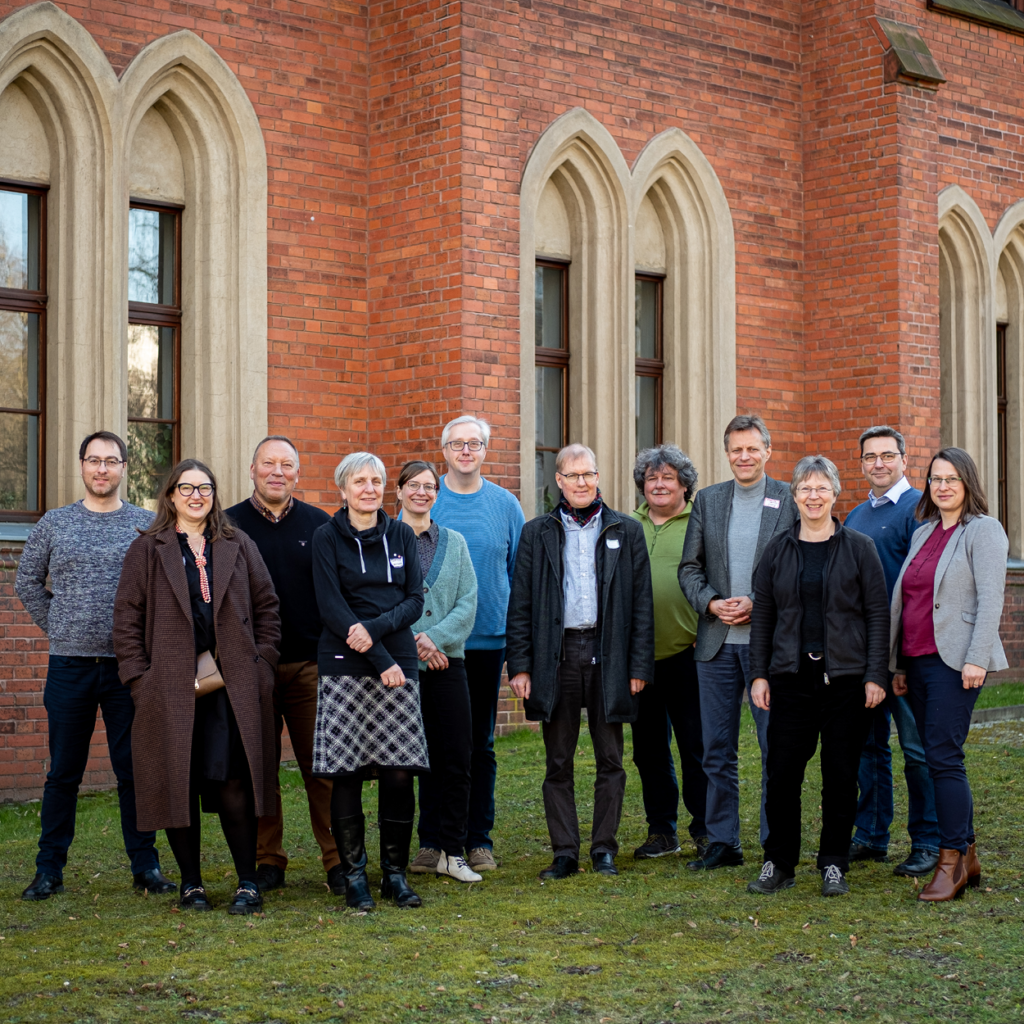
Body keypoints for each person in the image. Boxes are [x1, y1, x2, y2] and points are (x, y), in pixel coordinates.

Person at [113, 459, 282, 914]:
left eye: (203, 488)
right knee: (178, 782)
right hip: (168, 687)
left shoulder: (237, 543)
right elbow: (126, 618)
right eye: (185, 488)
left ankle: (248, 883)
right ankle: (192, 885)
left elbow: (267, 605)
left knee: (232, 781)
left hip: (230, 687)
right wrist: (139, 678)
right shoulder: (148, 548)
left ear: (214, 494)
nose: (195, 496)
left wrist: (263, 661)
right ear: (170, 496)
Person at [15, 432, 174, 902]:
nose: (102, 469)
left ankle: (145, 866)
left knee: (133, 770)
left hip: (130, 671)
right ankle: (49, 870)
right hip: (70, 666)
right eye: (93, 461)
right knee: (64, 771)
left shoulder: (147, 524)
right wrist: (59, 627)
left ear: (125, 467)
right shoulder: (55, 523)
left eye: (111, 461)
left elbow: (165, 594)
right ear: (82, 466)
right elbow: (27, 581)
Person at [507, 443, 654, 880]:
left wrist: (638, 667)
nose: (582, 483)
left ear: (597, 476)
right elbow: (521, 605)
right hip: (558, 655)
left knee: (611, 758)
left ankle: (604, 848)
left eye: (589, 474)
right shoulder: (537, 532)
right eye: (573, 476)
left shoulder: (625, 530)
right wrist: (521, 664)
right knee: (558, 761)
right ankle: (565, 852)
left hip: (609, 655)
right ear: (559, 481)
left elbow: (642, 605)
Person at [747, 456, 889, 897]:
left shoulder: (859, 547)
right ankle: (779, 862)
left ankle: (833, 863)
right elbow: (764, 617)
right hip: (790, 678)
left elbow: (877, 616)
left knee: (841, 775)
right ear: (794, 496)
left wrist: (875, 674)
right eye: (805, 489)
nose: (813, 496)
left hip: (845, 681)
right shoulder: (777, 550)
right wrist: (759, 675)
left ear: (835, 494)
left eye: (821, 488)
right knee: (783, 773)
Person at [678, 415, 797, 870]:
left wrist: (760, 602)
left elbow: (801, 563)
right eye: (736, 450)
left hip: (770, 645)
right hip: (717, 644)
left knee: (776, 748)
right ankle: (723, 841)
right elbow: (689, 568)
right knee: (716, 748)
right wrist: (711, 604)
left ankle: (776, 841)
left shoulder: (789, 497)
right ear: (726, 453)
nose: (744, 457)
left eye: (752, 449)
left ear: (768, 450)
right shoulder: (709, 500)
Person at [889, 448, 1008, 902]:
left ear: (968, 484)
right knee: (939, 755)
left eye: (952, 479)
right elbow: (909, 603)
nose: (942, 487)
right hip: (916, 661)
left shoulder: (983, 531)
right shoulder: (922, 534)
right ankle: (970, 854)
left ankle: (951, 861)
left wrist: (977, 657)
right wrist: (898, 665)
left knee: (942, 757)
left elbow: (991, 599)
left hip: (955, 661)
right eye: (936, 479)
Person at [311, 452, 428, 910]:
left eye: (376, 481)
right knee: (348, 772)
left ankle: (394, 876)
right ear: (342, 489)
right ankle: (355, 877)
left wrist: (377, 632)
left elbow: (415, 600)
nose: (369, 488)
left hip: (397, 663)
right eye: (359, 481)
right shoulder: (326, 537)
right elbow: (332, 606)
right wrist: (378, 656)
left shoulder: (401, 533)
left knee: (399, 773)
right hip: (345, 664)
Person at [226, 436, 339, 894]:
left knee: (325, 768)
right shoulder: (227, 525)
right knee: (260, 767)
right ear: (252, 469)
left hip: (310, 665)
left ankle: (338, 859)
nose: (278, 472)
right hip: (250, 669)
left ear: (298, 473)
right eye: (268, 463)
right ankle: (266, 858)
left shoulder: (320, 525)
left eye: (287, 465)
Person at [412, 415, 524, 875]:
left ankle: (477, 839)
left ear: (484, 450)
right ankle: (430, 841)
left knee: (478, 744)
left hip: (484, 642)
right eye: (457, 443)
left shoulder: (505, 505)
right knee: (428, 746)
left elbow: (517, 574)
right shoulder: (426, 496)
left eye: (474, 443)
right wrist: (427, 640)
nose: (465, 451)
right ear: (444, 450)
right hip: (428, 649)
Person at [844, 426, 939, 878]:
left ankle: (929, 841)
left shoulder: (920, 509)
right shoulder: (856, 515)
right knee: (868, 747)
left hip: (908, 654)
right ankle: (871, 835)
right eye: (870, 457)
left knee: (918, 750)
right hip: (864, 655)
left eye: (887, 455)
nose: (878, 463)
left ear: (904, 459)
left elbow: (921, 585)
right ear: (860, 463)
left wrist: (901, 658)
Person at [397, 460, 481, 883]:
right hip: (400, 667)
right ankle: (414, 849)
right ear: (399, 491)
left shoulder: (455, 542)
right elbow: (377, 599)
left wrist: (436, 639)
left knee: (456, 756)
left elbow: (468, 600)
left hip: (449, 664)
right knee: (406, 761)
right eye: (414, 485)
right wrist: (416, 643)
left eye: (430, 486)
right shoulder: (382, 541)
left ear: (437, 493)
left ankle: (452, 850)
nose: (422, 492)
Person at [629, 445, 709, 861]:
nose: (659, 485)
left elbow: (718, 577)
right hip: (638, 657)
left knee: (696, 745)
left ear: (684, 485)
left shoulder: (701, 521)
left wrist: (706, 629)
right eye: (652, 478)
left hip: (688, 654)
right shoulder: (627, 524)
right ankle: (662, 830)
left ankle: (707, 828)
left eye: (669, 478)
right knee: (648, 750)